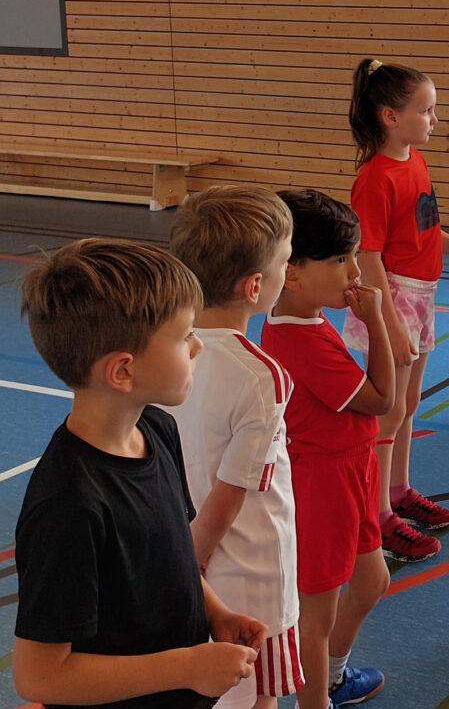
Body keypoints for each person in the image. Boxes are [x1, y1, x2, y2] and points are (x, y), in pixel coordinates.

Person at [13, 238, 264, 708]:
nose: (197, 346)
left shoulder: (157, 428)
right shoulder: (70, 505)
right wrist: (187, 667)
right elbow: (40, 677)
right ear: (123, 371)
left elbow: (173, 556)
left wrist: (215, 613)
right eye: (184, 335)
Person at [260, 189, 394, 709]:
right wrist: (376, 321)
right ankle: (314, 700)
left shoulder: (306, 319)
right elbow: (382, 399)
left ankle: (334, 678)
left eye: (353, 256)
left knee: (371, 581)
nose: (355, 272)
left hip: (353, 470)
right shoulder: (302, 342)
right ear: (292, 274)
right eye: (340, 260)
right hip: (324, 483)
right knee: (316, 616)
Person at [169, 185, 302, 709]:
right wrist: (193, 562)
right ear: (255, 286)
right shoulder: (261, 375)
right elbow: (231, 492)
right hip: (248, 569)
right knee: (255, 696)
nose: (288, 271)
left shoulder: (166, 349)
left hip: (180, 553)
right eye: (285, 262)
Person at [344, 58, 449, 561]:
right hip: (394, 297)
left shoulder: (415, 161)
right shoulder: (374, 178)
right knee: (389, 410)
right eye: (426, 111)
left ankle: (398, 490)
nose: (434, 120)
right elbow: (369, 258)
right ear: (390, 116)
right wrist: (390, 326)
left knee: (410, 401)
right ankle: (378, 518)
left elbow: (424, 229)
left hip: (422, 294)